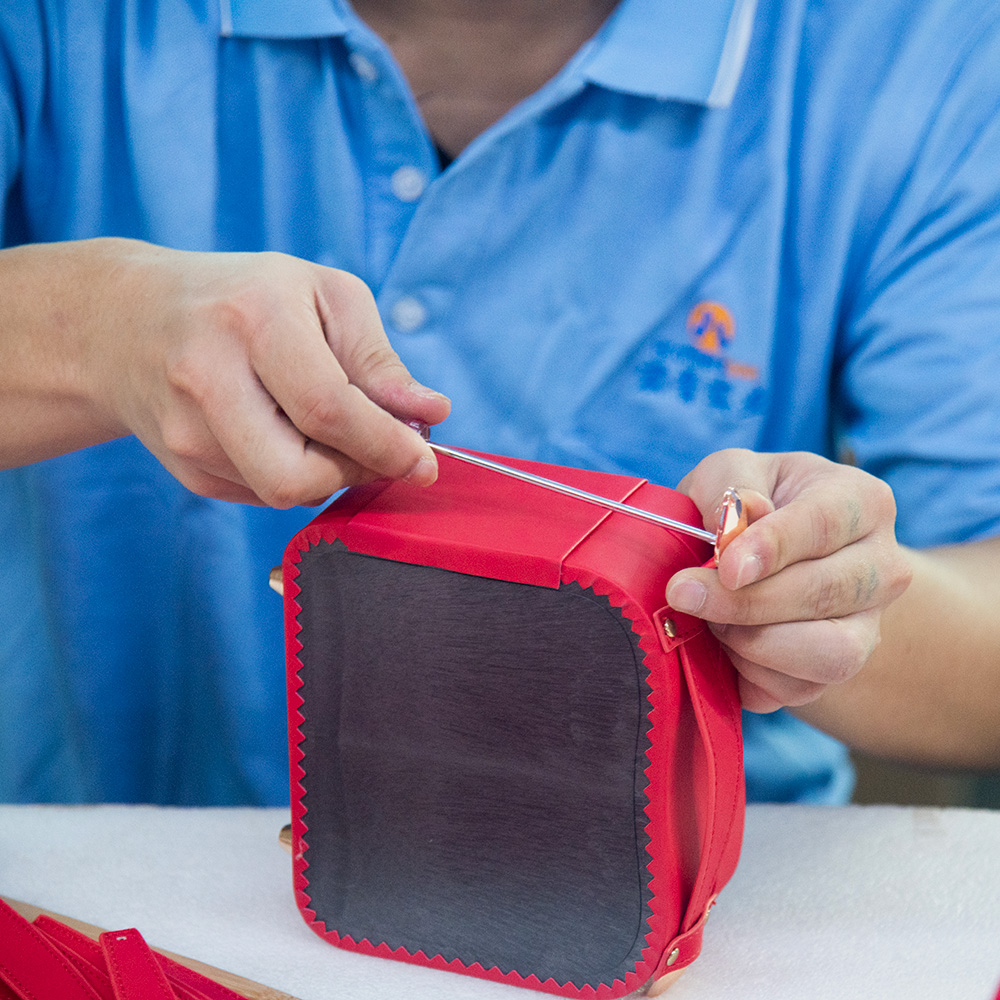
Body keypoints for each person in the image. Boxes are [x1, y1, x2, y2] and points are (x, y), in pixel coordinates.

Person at [1, 0, 999, 805]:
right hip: (103, 878)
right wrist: (93, 326)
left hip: (670, 929)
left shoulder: (924, 50)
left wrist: (827, 595)